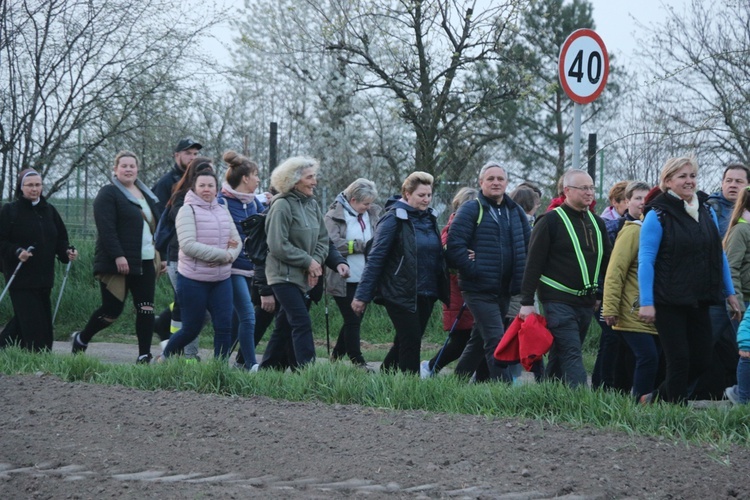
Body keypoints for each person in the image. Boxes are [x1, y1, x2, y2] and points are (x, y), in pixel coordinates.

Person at [638, 156, 741, 404]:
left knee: (703, 358)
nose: (689, 181)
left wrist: (730, 293)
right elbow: (646, 261)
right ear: (668, 181)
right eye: (682, 176)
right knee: (679, 359)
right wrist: (646, 301)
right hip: (668, 299)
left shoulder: (706, 210)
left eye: (692, 176)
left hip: (700, 297)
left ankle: (655, 399)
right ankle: (674, 412)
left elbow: (718, 255)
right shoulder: (658, 214)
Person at [519, 169, 612, 388]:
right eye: (584, 188)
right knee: (572, 352)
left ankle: (549, 394)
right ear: (567, 191)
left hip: (586, 302)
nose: (590, 193)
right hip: (557, 301)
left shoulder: (597, 223)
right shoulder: (550, 221)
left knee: (561, 353)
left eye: (591, 187)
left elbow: (607, 262)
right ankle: (581, 403)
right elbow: (533, 264)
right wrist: (526, 303)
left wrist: (600, 294)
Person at [353, 171, 449, 375]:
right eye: (421, 195)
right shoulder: (392, 219)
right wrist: (362, 295)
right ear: (406, 194)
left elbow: (435, 252)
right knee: (411, 342)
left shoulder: (429, 218)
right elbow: (376, 259)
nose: (426, 199)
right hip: (399, 291)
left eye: (429, 195)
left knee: (406, 340)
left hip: (427, 291)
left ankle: (384, 378)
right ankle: (410, 388)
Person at [71, 152, 162, 363]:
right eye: (124, 166)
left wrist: (162, 256)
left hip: (146, 260)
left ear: (137, 169)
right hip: (118, 262)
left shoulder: (146, 194)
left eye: (132, 165)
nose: (128, 169)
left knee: (146, 308)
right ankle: (82, 339)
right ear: (115, 169)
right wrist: (119, 256)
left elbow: (157, 227)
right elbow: (107, 229)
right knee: (112, 311)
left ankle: (143, 355)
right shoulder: (108, 194)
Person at [445, 162, 531, 382]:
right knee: (496, 338)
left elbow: (528, 244)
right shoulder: (471, 209)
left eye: (500, 179)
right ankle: (501, 391)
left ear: (506, 183)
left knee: (477, 340)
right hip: (477, 288)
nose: (496, 182)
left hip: (505, 289)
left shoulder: (515, 212)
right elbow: (454, 246)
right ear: (481, 182)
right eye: (490, 179)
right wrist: (473, 269)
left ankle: (458, 383)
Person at [160, 168, 241, 360]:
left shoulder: (223, 210)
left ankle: (219, 370)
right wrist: (223, 255)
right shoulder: (187, 211)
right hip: (193, 280)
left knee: (224, 326)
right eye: (202, 185)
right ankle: (165, 358)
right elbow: (189, 246)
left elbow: (236, 240)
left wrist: (230, 254)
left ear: (216, 189)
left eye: (210, 186)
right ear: (194, 188)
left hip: (221, 279)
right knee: (191, 328)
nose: (206, 189)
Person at [260, 156, 329, 369]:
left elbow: (323, 240)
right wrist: (308, 262)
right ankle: (308, 372)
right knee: (301, 321)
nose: (314, 181)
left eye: (314, 176)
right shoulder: (281, 205)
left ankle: (268, 370)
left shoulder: (313, 205)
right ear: (293, 180)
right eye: (310, 177)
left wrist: (315, 264)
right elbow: (278, 245)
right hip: (282, 275)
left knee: (284, 325)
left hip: (304, 275)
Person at [0, 169, 78, 352]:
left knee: (27, 320)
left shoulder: (49, 210)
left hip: (44, 277)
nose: (34, 189)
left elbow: (60, 239)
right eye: (30, 185)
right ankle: (38, 356)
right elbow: (2, 240)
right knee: (34, 323)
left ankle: (4, 350)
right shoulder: (10, 211)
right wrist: (17, 251)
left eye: (38, 185)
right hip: (20, 277)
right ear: (21, 187)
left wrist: (67, 252)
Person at [602, 181, 660, 400]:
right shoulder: (632, 232)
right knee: (647, 357)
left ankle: (635, 400)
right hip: (631, 309)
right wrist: (610, 307)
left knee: (642, 358)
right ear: (627, 202)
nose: (643, 202)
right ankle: (637, 404)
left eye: (648, 198)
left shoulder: (653, 229)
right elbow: (615, 271)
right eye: (638, 198)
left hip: (651, 310)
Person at [420, 187, 479, 379]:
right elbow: (448, 259)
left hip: (471, 290)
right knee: (460, 339)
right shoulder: (452, 228)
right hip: (458, 292)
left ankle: (469, 374)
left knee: (471, 338)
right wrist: (466, 259)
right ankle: (430, 367)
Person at [152, 138, 203, 352]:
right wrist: (161, 254)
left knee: (186, 302)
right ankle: (176, 347)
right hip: (173, 252)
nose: (192, 157)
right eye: (188, 153)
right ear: (177, 156)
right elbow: (159, 221)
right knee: (184, 301)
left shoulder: (200, 181)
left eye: (195, 154)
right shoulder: (166, 183)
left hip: (195, 252)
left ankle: (164, 328)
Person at [325, 178, 381, 369]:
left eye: (370, 203)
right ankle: (358, 361)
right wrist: (361, 246)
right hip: (343, 278)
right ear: (353, 199)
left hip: (365, 278)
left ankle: (335, 359)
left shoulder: (372, 213)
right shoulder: (333, 216)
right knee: (352, 319)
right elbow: (332, 244)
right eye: (365, 203)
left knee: (354, 319)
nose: (368, 206)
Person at [218, 150, 265, 370]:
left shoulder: (255, 203)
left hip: (251, 269)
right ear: (245, 178)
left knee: (236, 319)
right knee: (248, 314)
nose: (258, 180)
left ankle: (218, 364)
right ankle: (250, 365)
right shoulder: (222, 202)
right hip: (232, 268)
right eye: (255, 175)